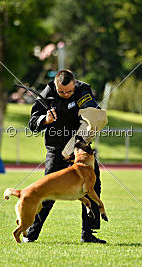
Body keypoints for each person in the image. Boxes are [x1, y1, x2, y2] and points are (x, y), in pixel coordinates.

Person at [25, 69, 106, 243]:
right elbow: (32, 123)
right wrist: (45, 120)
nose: (66, 94)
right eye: (61, 92)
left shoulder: (83, 89)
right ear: (55, 85)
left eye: (69, 91)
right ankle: (31, 235)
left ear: (74, 84)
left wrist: (92, 114)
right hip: (56, 149)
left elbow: (92, 110)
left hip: (79, 148)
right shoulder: (46, 94)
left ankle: (88, 233)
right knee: (46, 191)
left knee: (93, 187)